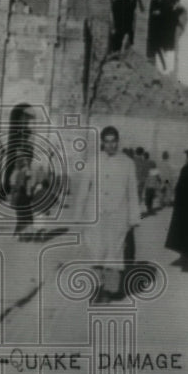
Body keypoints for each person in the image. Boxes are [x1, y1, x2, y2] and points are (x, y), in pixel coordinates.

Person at [77, 125, 142, 300]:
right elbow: (83, 190)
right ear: (102, 143)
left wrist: (133, 218)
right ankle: (98, 288)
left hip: (118, 216)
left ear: (118, 142)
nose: (111, 145)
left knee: (114, 254)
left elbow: (132, 193)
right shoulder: (93, 161)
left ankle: (110, 291)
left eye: (114, 142)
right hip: (95, 215)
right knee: (97, 253)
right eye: (107, 142)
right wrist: (78, 217)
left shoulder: (128, 163)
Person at [10, 157, 34, 240]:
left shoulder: (19, 173)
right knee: (24, 218)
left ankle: (18, 234)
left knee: (21, 218)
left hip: (19, 197)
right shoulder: (26, 174)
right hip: (24, 198)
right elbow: (28, 187)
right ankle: (19, 234)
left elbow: (16, 184)